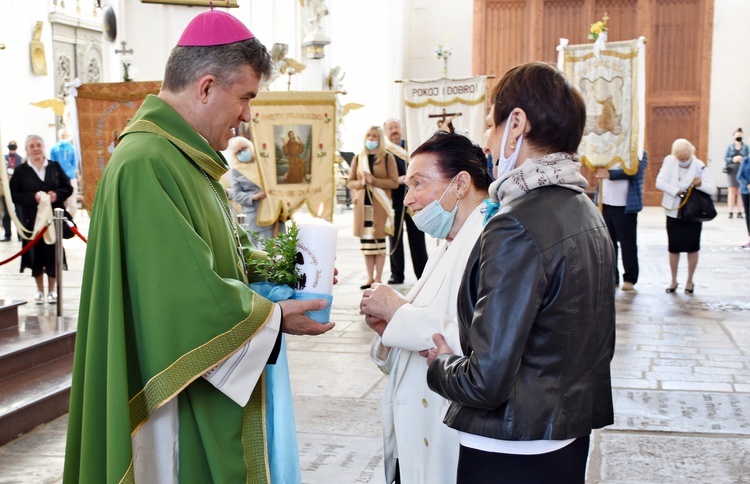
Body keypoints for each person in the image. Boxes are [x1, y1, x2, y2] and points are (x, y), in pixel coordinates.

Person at [63, 9, 335, 484]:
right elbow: (181, 296)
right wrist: (271, 319)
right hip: (165, 396)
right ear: (206, 87)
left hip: (189, 382)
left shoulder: (181, 159)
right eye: (245, 98)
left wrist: (281, 278)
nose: (248, 116)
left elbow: (208, 263)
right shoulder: (146, 162)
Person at [425, 61, 616, 483]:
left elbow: (485, 382)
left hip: (510, 445)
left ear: (516, 124)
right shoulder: (585, 208)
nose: (487, 144)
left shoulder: (516, 223)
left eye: (490, 127)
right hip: (565, 433)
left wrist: (439, 363)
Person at [360, 130, 492, 484]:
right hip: (414, 428)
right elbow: (412, 331)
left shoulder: (491, 241)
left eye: (419, 184)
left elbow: (479, 344)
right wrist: (389, 329)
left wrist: (399, 312)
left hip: (444, 428)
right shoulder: (448, 242)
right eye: (408, 186)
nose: (409, 199)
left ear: (461, 183)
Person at [9, 134, 73, 304]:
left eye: (39, 144)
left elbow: (68, 188)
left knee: (53, 254)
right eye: (32, 146)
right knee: (35, 254)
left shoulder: (54, 166)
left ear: (44, 147)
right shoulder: (21, 171)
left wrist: (56, 195)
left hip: (53, 220)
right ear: (27, 149)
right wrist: (33, 198)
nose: (36, 148)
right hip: (32, 222)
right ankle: (39, 290)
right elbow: (14, 195)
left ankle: (53, 290)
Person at [656, 138, 717, 294]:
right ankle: (673, 280)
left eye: (686, 158)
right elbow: (660, 182)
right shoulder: (669, 161)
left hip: (693, 213)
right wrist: (676, 190)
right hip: (674, 211)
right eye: (680, 159)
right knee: (674, 247)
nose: (683, 161)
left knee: (692, 247)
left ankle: (689, 281)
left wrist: (700, 184)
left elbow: (712, 189)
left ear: (691, 154)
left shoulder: (699, 165)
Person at [347, 126, 399, 289]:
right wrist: (361, 183)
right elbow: (350, 182)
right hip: (363, 206)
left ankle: (378, 278)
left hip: (380, 205)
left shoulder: (387, 157)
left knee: (379, 242)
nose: (371, 138)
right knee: (367, 243)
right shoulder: (358, 158)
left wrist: (374, 180)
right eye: (369, 135)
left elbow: (394, 182)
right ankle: (369, 277)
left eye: (375, 136)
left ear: (380, 138)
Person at [595, 151, 648, 291]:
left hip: (624, 205)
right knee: (609, 243)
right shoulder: (607, 150)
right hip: (605, 202)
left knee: (627, 243)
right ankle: (612, 277)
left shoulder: (638, 151)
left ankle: (630, 278)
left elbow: (635, 171)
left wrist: (611, 174)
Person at [383, 118, 428, 284]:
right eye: (390, 128)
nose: (394, 130)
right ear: (386, 132)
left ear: (401, 128)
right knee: (394, 237)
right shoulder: (384, 150)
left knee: (417, 235)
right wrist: (396, 179)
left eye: (396, 127)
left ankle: (422, 273)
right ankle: (397, 274)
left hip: (414, 196)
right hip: (393, 198)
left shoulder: (412, 147)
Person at [228, 135, 285, 241]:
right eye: (238, 151)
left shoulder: (264, 164)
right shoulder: (236, 171)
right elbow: (236, 194)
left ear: (250, 147)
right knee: (263, 250)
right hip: (256, 216)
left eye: (244, 148)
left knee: (281, 246)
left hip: (274, 211)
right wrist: (253, 196)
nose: (242, 152)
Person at [49, 128, 79, 218]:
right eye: (62, 135)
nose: (64, 137)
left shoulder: (73, 148)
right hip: (58, 178)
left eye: (65, 135)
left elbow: (75, 163)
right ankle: (59, 218)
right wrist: (60, 174)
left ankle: (71, 218)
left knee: (72, 198)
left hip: (71, 176)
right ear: (59, 136)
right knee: (59, 198)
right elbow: (52, 163)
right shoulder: (54, 149)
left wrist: (67, 173)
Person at [724, 128, 747, 219]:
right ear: (733, 137)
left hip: (742, 170)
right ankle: (730, 211)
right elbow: (726, 158)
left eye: (740, 136)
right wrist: (733, 159)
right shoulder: (729, 147)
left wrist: (742, 158)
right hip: (732, 170)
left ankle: (739, 211)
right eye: (737, 136)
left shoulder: (746, 147)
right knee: (732, 191)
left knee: (740, 191)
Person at [3, 140, 23, 241]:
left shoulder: (21, 159)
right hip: (5, 189)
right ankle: (7, 234)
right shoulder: (3, 159)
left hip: (17, 189)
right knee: (6, 213)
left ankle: (20, 234)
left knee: (19, 212)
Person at [738, 154, 750, 248]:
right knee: (748, 214)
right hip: (746, 191)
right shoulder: (746, 160)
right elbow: (739, 176)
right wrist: (747, 184)